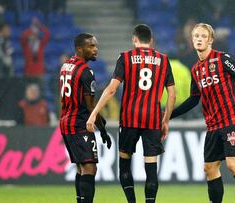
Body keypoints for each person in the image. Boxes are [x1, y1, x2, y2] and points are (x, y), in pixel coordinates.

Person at [170, 23, 235, 203]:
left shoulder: (222, 59)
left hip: (232, 120)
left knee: (232, 163)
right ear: (192, 40)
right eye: (196, 36)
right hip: (213, 125)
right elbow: (193, 99)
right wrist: (168, 115)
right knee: (209, 168)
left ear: (211, 40)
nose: (199, 39)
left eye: (203, 36)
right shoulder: (195, 69)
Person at [86, 24, 176, 203]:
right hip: (152, 120)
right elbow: (172, 94)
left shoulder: (125, 58)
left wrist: (94, 113)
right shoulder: (163, 60)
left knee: (125, 165)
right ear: (150, 40)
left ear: (134, 39)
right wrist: (165, 120)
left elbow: (112, 89)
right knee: (151, 167)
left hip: (129, 119)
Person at [59, 33, 111, 203]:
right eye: (91, 46)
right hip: (79, 123)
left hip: (66, 122)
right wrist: (102, 130)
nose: (95, 50)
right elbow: (90, 108)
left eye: (96, 46)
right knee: (90, 167)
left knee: (81, 167)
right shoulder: (86, 72)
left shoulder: (66, 66)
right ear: (79, 49)